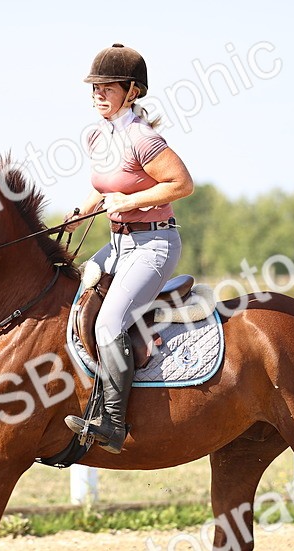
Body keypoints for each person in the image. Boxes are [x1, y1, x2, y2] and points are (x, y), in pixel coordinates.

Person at [63, 43, 194, 454]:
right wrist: (80, 213)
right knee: (70, 299)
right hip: (117, 244)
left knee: (108, 323)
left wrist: (132, 201)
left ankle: (113, 423)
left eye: (108, 88)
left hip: (154, 244)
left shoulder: (143, 138)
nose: (98, 94)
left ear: (132, 91)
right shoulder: (96, 135)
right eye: (95, 88)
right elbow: (104, 188)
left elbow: (182, 184)